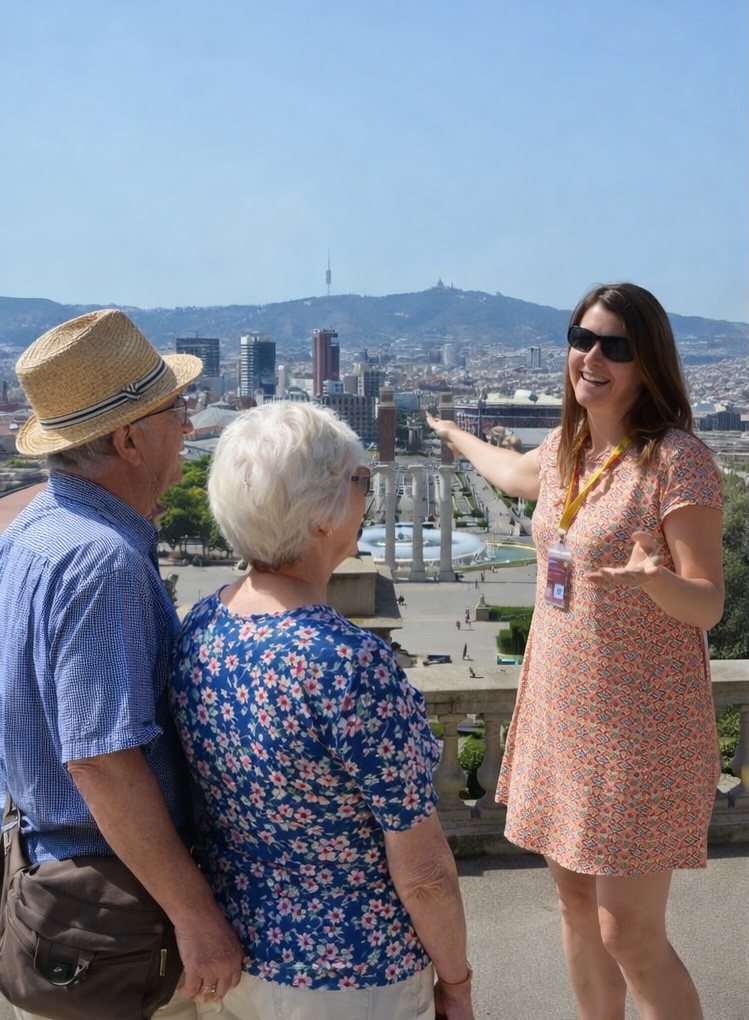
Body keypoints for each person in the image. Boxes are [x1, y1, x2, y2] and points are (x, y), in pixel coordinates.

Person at [427, 283, 723, 1020]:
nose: (591, 357)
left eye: (614, 347)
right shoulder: (566, 449)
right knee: (572, 903)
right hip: (563, 712)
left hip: (639, 728)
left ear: (646, 362)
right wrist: (451, 433)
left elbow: (707, 600)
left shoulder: (674, 463)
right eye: (581, 338)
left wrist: (654, 579)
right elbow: (509, 472)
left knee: (630, 933)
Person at [170, 402, 474, 1020]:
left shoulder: (206, 622)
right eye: (361, 481)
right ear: (319, 517)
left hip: (239, 960)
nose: (368, 495)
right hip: (356, 975)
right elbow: (423, 873)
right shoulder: (348, 663)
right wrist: (457, 982)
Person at [0, 310, 243, 1018]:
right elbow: (102, 762)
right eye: (176, 412)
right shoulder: (100, 561)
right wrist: (196, 919)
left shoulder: (35, 530)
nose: (189, 428)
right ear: (128, 438)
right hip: (112, 914)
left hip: (49, 885)